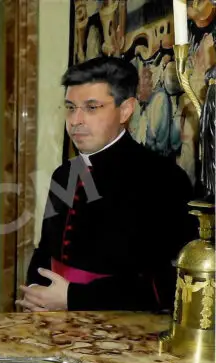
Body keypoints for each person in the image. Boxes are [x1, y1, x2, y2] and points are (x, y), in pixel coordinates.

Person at [18, 56, 196, 312]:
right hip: (51, 324)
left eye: (91, 108)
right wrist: (35, 291)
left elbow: (171, 285)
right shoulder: (65, 174)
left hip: (123, 329)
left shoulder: (163, 180)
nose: (75, 120)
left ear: (125, 110)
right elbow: (46, 249)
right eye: (70, 107)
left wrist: (74, 297)